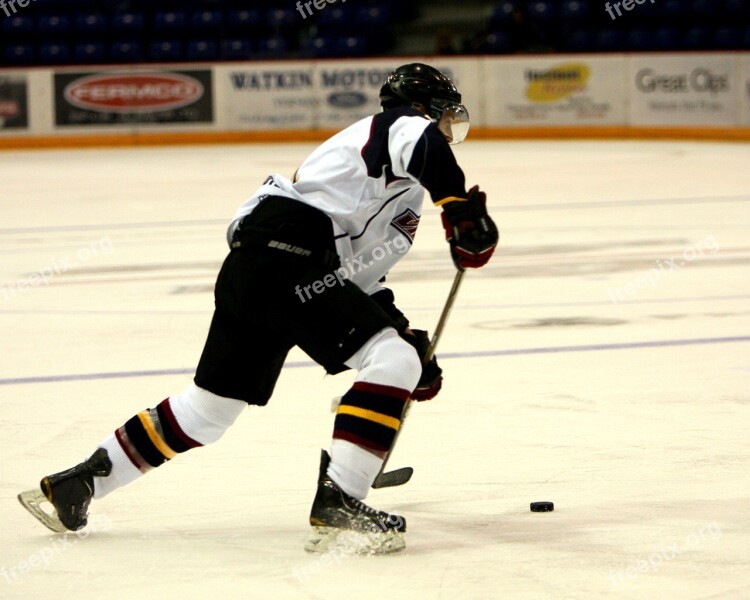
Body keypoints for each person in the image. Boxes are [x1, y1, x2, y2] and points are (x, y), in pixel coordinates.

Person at [18, 63, 498, 555]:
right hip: (291, 252)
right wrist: (459, 209)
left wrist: (411, 341)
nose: (445, 128)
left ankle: (80, 483)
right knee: (390, 360)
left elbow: (357, 281)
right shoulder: (399, 127)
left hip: (259, 269)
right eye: (442, 116)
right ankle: (341, 502)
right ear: (423, 108)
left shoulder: (394, 190)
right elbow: (423, 146)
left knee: (209, 409)